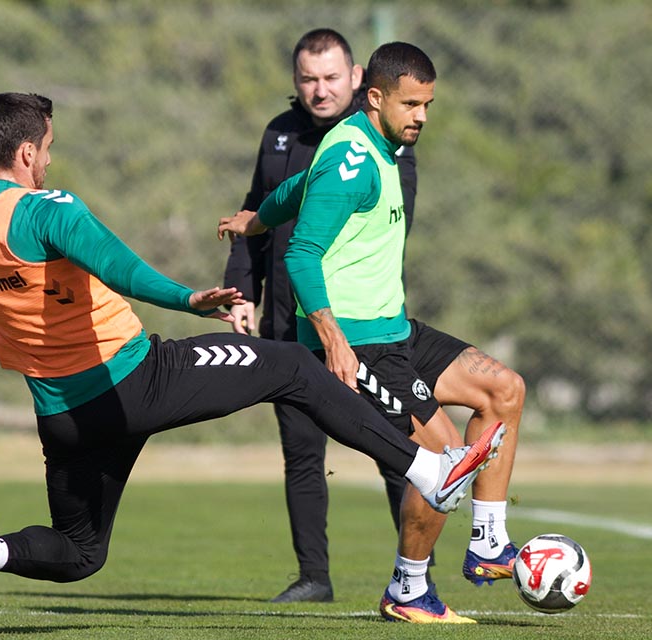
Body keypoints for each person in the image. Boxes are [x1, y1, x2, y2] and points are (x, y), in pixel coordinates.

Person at [0, 93, 505, 612]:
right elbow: (120, 270)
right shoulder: (44, 211)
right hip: (136, 382)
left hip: (62, 416)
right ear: (28, 153)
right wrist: (188, 297)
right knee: (292, 363)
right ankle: (426, 468)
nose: (51, 159)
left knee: (81, 552)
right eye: (49, 147)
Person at [219, 42, 527, 624]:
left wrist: (253, 219)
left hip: (394, 329)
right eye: (412, 103)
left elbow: (296, 188)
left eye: (429, 104)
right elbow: (303, 256)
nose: (422, 116)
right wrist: (332, 339)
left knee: (504, 391)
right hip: (358, 341)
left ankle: (488, 543)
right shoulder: (354, 159)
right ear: (377, 97)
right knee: (443, 460)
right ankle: (408, 590)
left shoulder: (374, 143)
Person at [224, 28, 418, 605]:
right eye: (308, 78)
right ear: (295, 81)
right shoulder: (278, 136)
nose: (320, 89)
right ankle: (314, 578)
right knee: (302, 455)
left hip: (354, 325)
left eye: (332, 77)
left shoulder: (379, 141)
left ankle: (413, 575)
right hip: (287, 325)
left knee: (393, 448)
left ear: (358, 79)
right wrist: (242, 293)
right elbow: (253, 214)